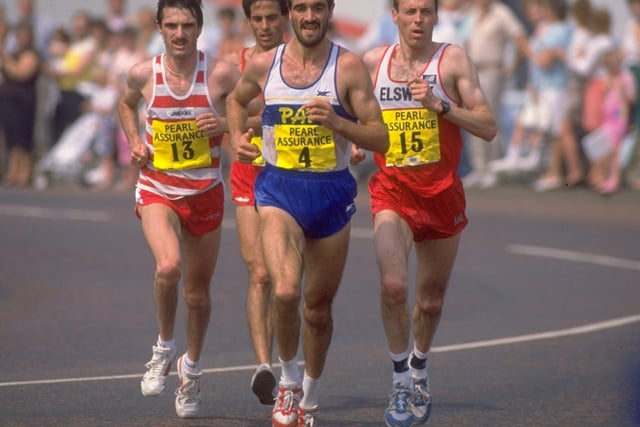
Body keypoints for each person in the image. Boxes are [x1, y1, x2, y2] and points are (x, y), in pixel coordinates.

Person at [225, 0, 389, 425]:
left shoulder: (348, 68)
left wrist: (339, 125)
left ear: (330, 10)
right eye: (301, 7)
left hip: (331, 194)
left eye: (318, 7)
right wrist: (236, 140)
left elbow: (381, 138)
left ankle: (310, 392)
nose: (310, 16)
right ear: (290, 14)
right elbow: (235, 100)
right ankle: (289, 384)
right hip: (279, 190)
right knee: (284, 290)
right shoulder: (265, 64)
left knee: (317, 308)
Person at [362, 0, 497, 425]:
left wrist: (442, 107)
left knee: (431, 301)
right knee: (394, 284)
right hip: (393, 192)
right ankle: (402, 382)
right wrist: (352, 143)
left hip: (441, 196)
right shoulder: (372, 62)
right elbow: (354, 117)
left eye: (426, 11)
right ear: (395, 16)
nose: (418, 20)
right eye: (410, 12)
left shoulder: (452, 60)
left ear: (436, 16)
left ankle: (419, 368)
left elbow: (489, 126)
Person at [117, 0, 241, 419]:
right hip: (158, 188)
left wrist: (224, 125)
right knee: (168, 266)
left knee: (197, 293)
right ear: (159, 27)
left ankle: (192, 371)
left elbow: (258, 112)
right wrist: (135, 141)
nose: (179, 33)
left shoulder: (221, 74)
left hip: (205, 192)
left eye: (187, 25)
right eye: (171, 25)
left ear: (200, 27)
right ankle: (164, 348)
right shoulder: (143, 73)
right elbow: (124, 104)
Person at [222, 0, 289, 406]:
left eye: (271, 18)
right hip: (250, 171)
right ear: (249, 21)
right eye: (257, 19)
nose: (264, 26)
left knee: (287, 280)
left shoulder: (305, 62)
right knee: (261, 273)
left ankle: (287, 364)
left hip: (294, 175)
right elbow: (226, 112)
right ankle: (265, 367)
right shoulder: (236, 63)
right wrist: (249, 124)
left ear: (286, 18)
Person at [0, 20, 41, 187]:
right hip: (8, 102)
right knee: (11, 138)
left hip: (23, 102)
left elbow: (20, 73)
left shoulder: (32, 55)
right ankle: (12, 171)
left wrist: (4, 58)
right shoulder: (13, 53)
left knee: (23, 138)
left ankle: (25, 172)